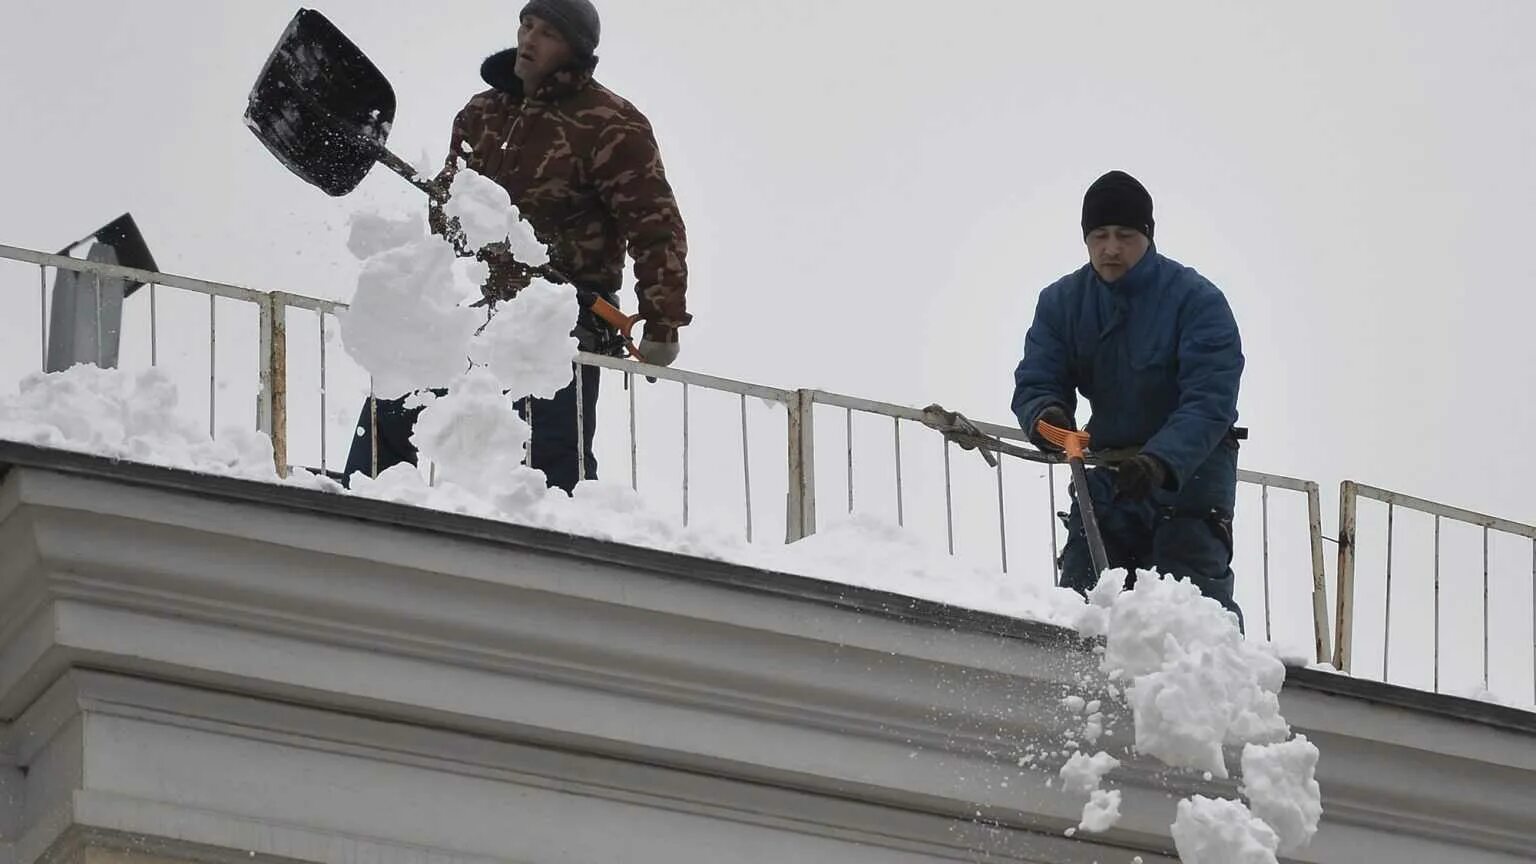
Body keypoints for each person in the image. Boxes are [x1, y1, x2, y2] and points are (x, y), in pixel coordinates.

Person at [343, 0, 690, 493]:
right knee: (395, 408)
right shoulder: (481, 113)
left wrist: (663, 323)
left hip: (557, 318)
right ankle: (361, 501)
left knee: (548, 464)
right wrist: (452, 209)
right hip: (468, 303)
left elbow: (655, 227)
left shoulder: (610, 124)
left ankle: (556, 541)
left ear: (575, 49)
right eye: (526, 25)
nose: (529, 39)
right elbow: (446, 216)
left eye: (547, 32)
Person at [1011, 171, 1246, 625]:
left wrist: (1160, 463)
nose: (1111, 248)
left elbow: (1210, 400)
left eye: (1125, 235)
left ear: (1148, 236)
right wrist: (1048, 419)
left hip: (1190, 479)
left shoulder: (1197, 301)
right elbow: (1038, 379)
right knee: (1084, 604)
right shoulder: (1061, 303)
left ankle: (1212, 690)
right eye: (1099, 235)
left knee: (1192, 615)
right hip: (1106, 474)